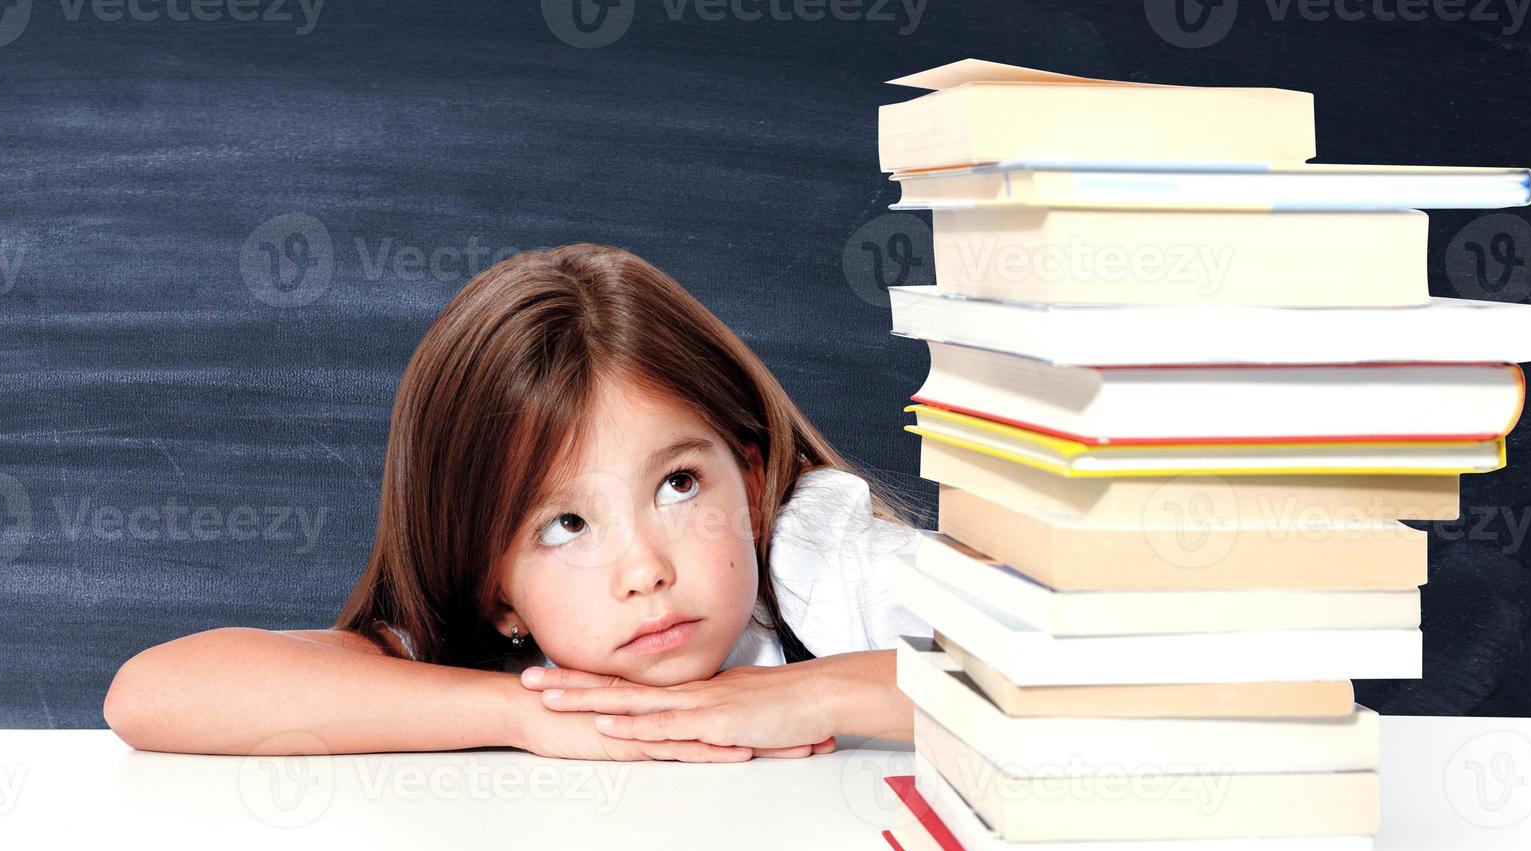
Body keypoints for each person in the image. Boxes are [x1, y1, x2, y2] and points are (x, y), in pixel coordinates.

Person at [104, 244, 929, 761]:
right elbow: (152, 694)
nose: (643, 569)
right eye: (565, 525)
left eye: (678, 486)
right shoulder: (505, 666)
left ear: (749, 485)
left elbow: (1054, 687)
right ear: (498, 594)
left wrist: (818, 694)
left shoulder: (818, 560)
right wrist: (523, 716)